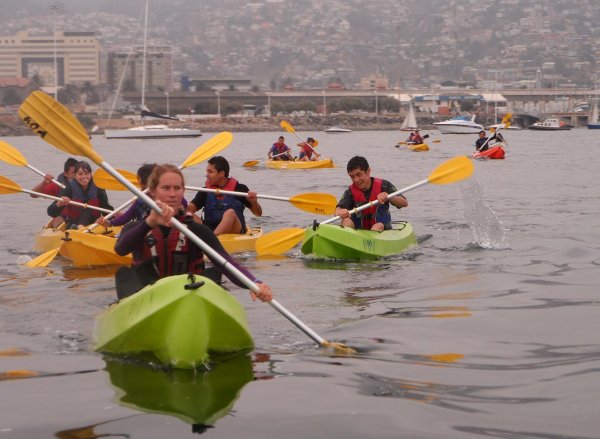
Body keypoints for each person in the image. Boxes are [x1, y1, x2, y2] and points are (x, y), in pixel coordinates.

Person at [114, 163, 272, 302]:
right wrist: (149, 223)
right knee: (123, 275)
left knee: (213, 274)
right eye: (166, 188)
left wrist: (254, 282)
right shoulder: (135, 227)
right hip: (146, 298)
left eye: (177, 188)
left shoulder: (196, 230)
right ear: (153, 192)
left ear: (183, 191)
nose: (172, 194)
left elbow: (226, 263)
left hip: (187, 296)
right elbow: (120, 249)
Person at [187, 156, 262, 235]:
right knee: (185, 212)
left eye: (210, 172)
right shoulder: (205, 191)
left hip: (234, 231)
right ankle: (210, 236)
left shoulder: (240, 189)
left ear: (221, 174)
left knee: (230, 213)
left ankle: (213, 238)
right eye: (207, 172)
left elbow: (258, 213)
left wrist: (254, 202)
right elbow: (189, 210)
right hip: (209, 229)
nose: (207, 175)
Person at [335, 156, 408, 231]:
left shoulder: (384, 185)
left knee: (377, 226)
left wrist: (389, 197)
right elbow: (338, 208)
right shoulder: (350, 191)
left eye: (359, 174)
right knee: (346, 221)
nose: (356, 180)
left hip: (381, 229)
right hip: (358, 231)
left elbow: (404, 203)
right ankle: (347, 240)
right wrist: (339, 212)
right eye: (352, 177)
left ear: (368, 171)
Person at [47, 160, 113, 229]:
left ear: (91, 174)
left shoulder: (98, 188)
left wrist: (114, 220)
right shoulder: (69, 189)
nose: (84, 177)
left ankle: (81, 227)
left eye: (86, 173)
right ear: (75, 176)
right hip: (73, 225)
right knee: (85, 209)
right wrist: (59, 204)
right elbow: (51, 212)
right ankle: (79, 227)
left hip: (94, 226)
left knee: (88, 208)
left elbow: (106, 209)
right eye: (80, 174)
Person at [96, 163, 157, 228]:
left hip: (149, 232)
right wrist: (109, 223)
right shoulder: (140, 199)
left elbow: (126, 217)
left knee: (130, 226)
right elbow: (126, 217)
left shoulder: (142, 199)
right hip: (143, 230)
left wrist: (110, 223)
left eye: (138, 178)